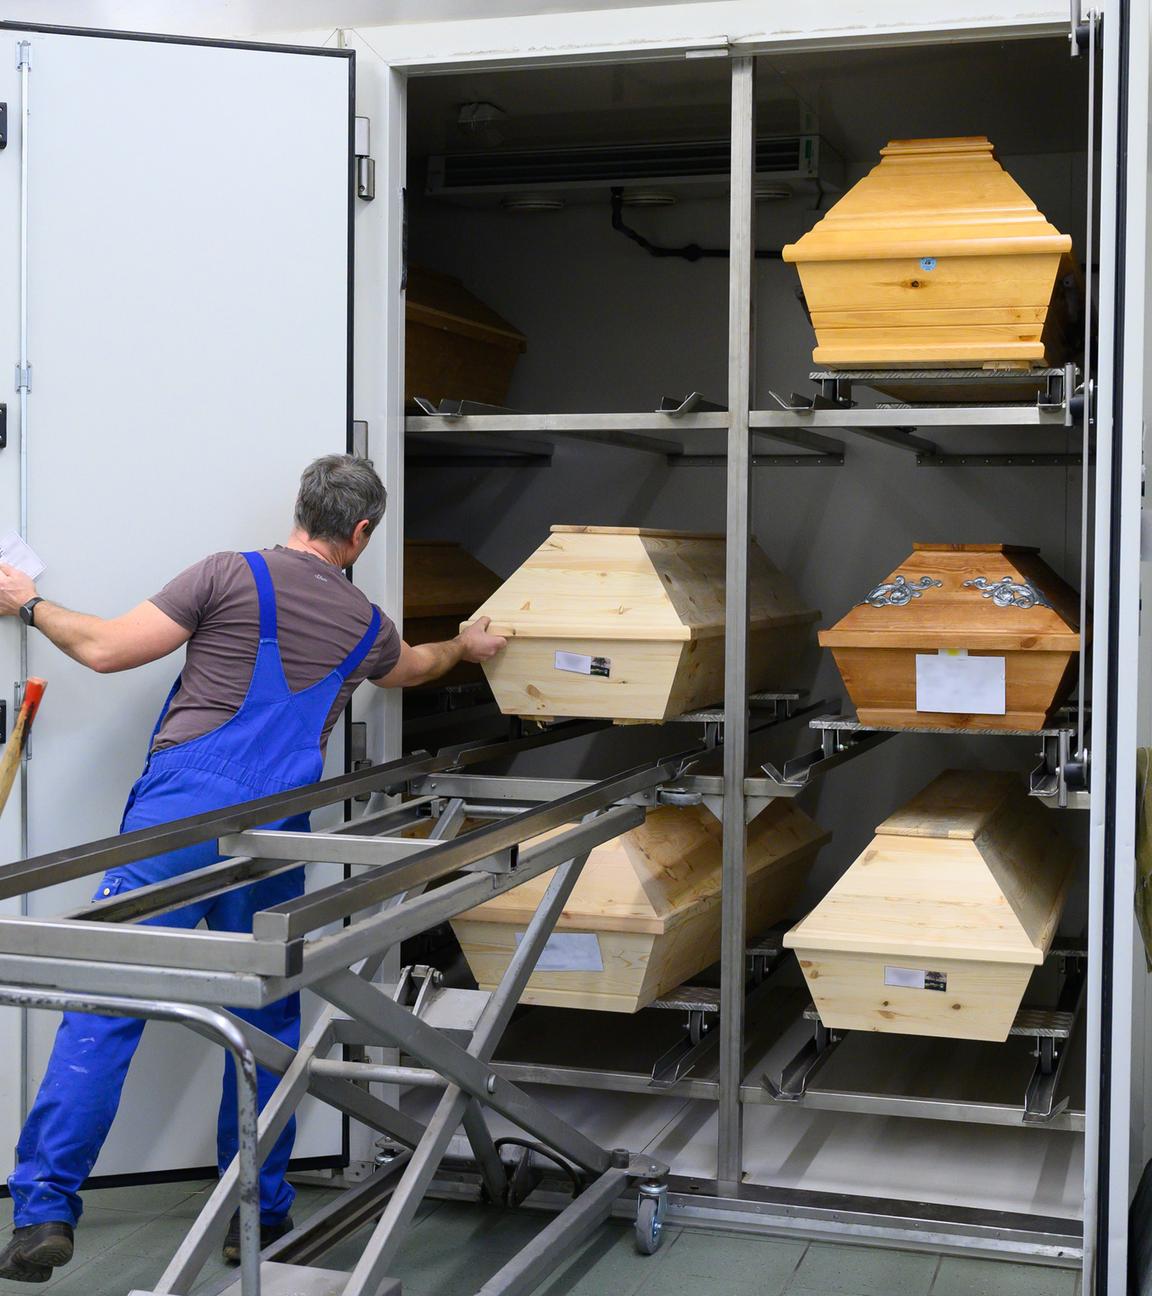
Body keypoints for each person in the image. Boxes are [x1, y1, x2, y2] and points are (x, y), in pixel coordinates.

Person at [0, 455, 506, 1283]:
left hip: (179, 816)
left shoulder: (226, 575)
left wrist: (28, 603)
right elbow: (417, 666)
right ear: (362, 533)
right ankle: (257, 1213)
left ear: (300, 509)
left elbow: (100, 649)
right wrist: (469, 645)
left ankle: (45, 1213)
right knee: (267, 1019)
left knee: (105, 1007)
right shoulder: (368, 627)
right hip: (278, 831)